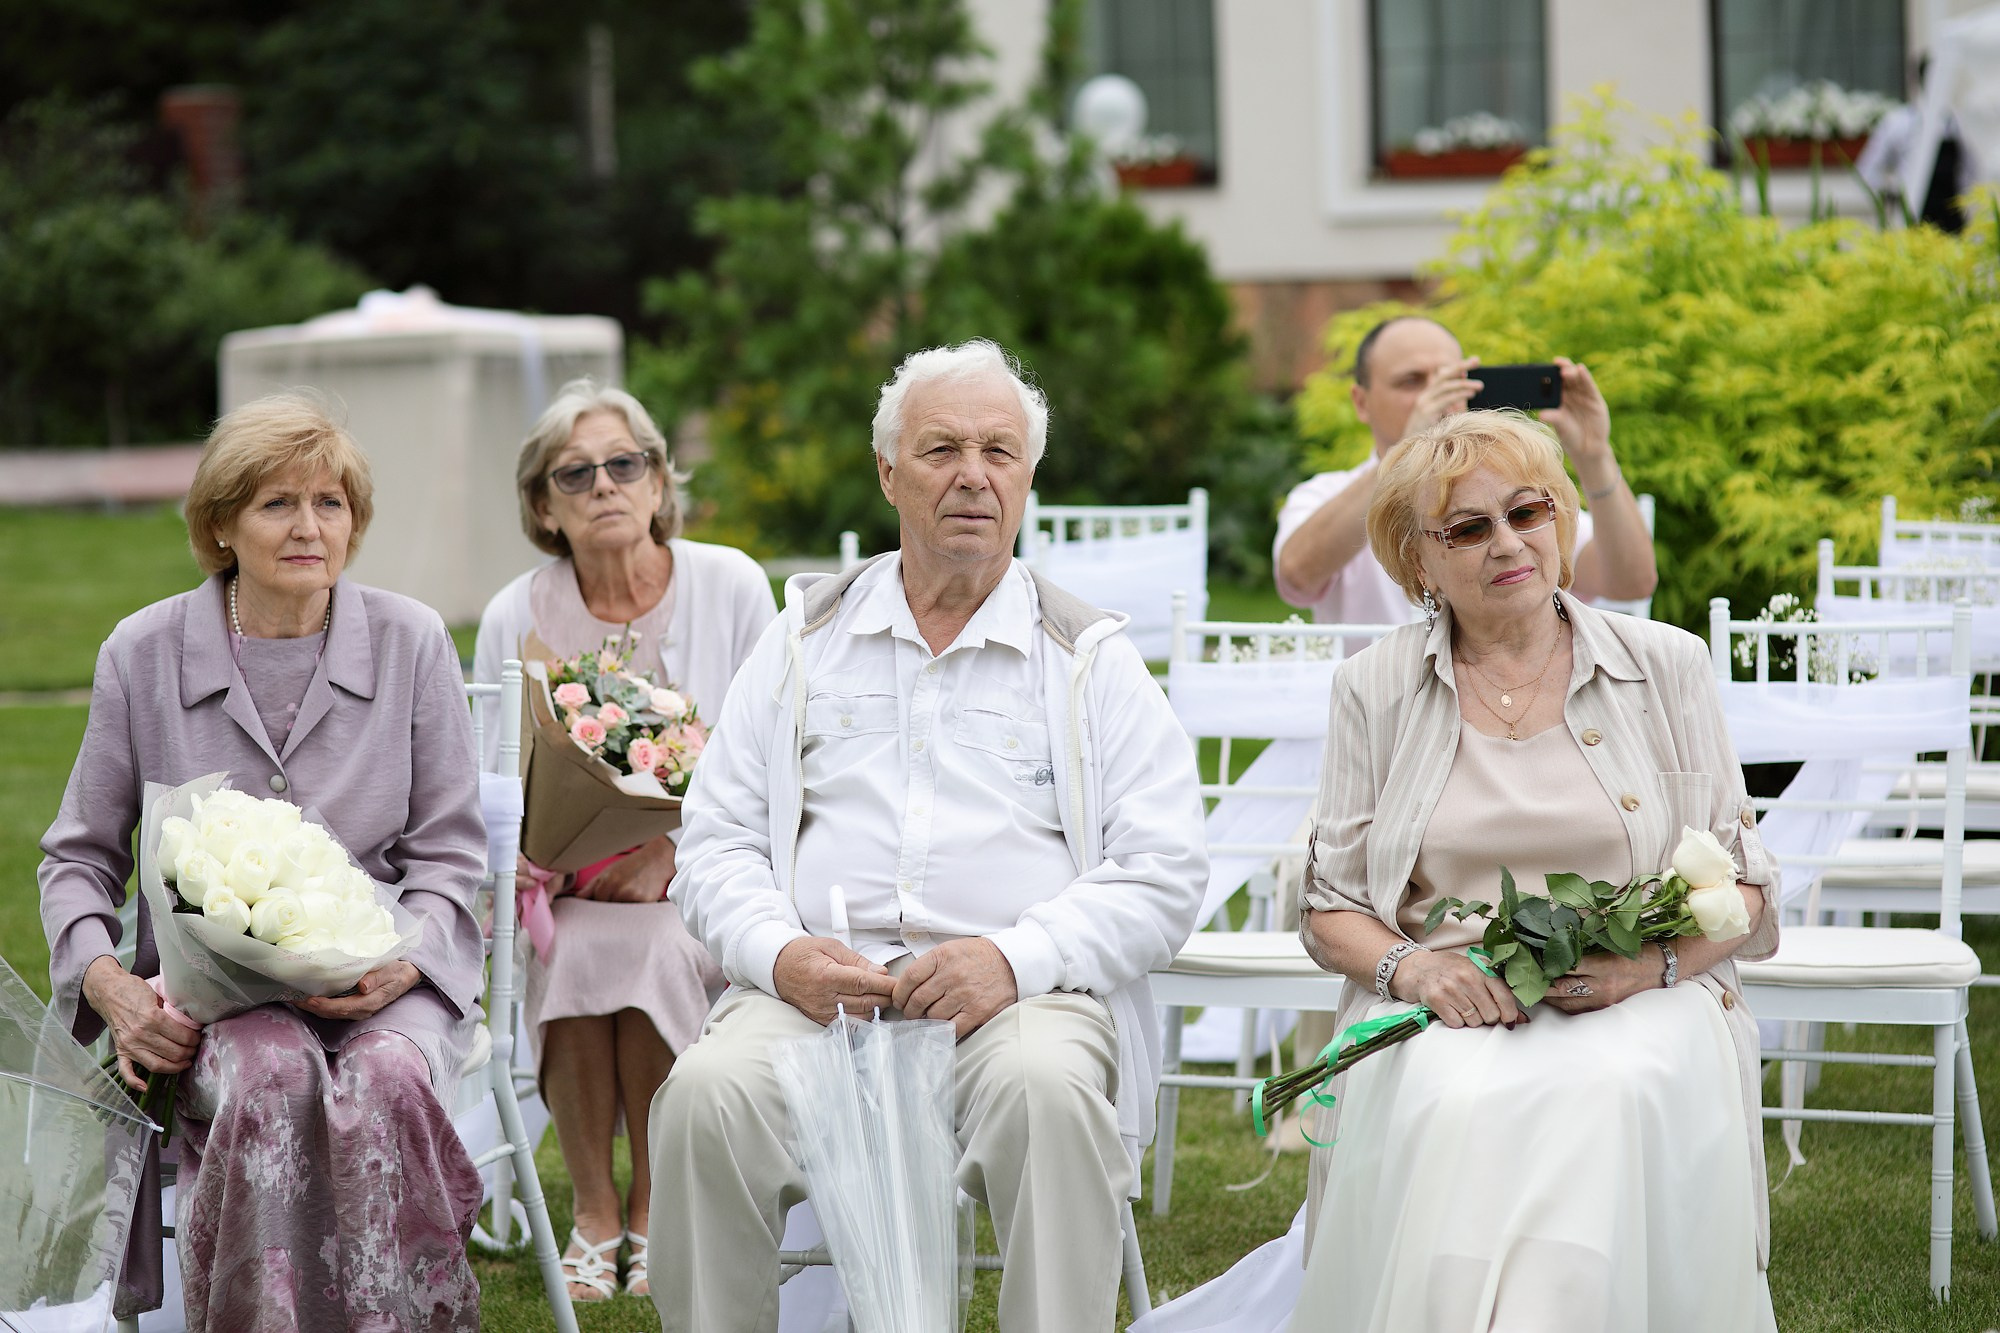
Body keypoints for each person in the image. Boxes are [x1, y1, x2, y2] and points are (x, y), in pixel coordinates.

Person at [650, 339, 1208, 1332]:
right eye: (940, 447)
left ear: (1027, 478)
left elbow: (1164, 873)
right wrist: (779, 957)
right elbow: (717, 839)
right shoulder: (803, 639)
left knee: (1048, 1092)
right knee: (704, 1095)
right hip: (818, 1000)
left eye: (998, 451)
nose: (971, 475)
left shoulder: (1086, 659)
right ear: (886, 472)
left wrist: (1011, 958)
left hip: (1016, 1004)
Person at [1292, 410, 1778, 1330]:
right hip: (1447, 995)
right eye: (1468, 528)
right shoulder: (1373, 686)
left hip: (1642, 993)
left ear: (1560, 519)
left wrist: (1650, 965)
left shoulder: (1665, 664)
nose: (1508, 543)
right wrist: (1418, 969)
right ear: (1418, 561)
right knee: (1446, 1098)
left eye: (1529, 511)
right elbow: (1332, 906)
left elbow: (1747, 886)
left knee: (1611, 1091)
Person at [39, 393, 489, 1330]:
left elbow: (451, 851)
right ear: (221, 523)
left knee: (390, 1077)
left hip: (380, 977)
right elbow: (78, 860)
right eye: (278, 504)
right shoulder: (144, 652)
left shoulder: (412, 643)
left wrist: (403, 965)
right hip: (216, 999)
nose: (309, 527)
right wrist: (115, 987)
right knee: (270, 1070)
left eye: (331, 503)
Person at [474, 378, 776, 1301]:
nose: (604, 485)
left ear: (656, 482)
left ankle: (650, 1206)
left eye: (623, 463)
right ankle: (595, 1212)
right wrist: (531, 851)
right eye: (576, 473)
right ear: (544, 505)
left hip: (706, 882)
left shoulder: (729, 585)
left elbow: (778, 755)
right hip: (563, 894)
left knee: (647, 944)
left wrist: (672, 856)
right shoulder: (510, 617)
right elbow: (489, 776)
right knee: (571, 952)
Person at [1273, 316, 1658, 632]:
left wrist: (1595, 456)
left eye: (1449, 379)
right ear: (1362, 402)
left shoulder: (1513, 497)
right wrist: (1403, 457)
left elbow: (1629, 582)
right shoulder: (1324, 493)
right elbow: (1296, 577)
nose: (1435, 396)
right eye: (1412, 381)